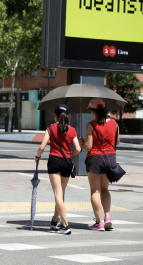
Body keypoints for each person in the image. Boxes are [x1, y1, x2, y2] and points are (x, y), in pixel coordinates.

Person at [35, 104, 81, 235]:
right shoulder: (72, 130)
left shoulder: (51, 128)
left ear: (55, 115)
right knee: (61, 194)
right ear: (67, 116)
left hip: (54, 161)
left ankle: (65, 225)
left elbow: (42, 146)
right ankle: (54, 221)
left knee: (57, 194)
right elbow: (78, 149)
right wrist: (69, 154)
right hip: (67, 162)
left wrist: (37, 157)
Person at [79, 98, 119, 231]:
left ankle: (99, 222)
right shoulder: (114, 123)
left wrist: (81, 143)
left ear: (93, 111)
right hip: (110, 159)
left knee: (95, 190)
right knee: (105, 189)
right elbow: (117, 142)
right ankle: (108, 217)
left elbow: (88, 147)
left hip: (95, 159)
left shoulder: (90, 125)